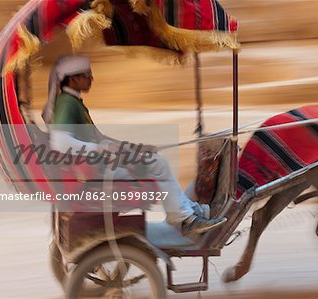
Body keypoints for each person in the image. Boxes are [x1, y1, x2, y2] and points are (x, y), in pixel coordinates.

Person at [42, 55, 226, 235]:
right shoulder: (67, 103)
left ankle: (186, 210)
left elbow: (99, 137)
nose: (92, 78)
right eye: (87, 74)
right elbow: (60, 142)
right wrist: (99, 149)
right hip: (98, 170)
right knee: (159, 165)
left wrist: (134, 148)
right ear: (74, 78)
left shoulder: (73, 102)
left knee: (154, 162)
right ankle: (183, 216)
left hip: (99, 165)